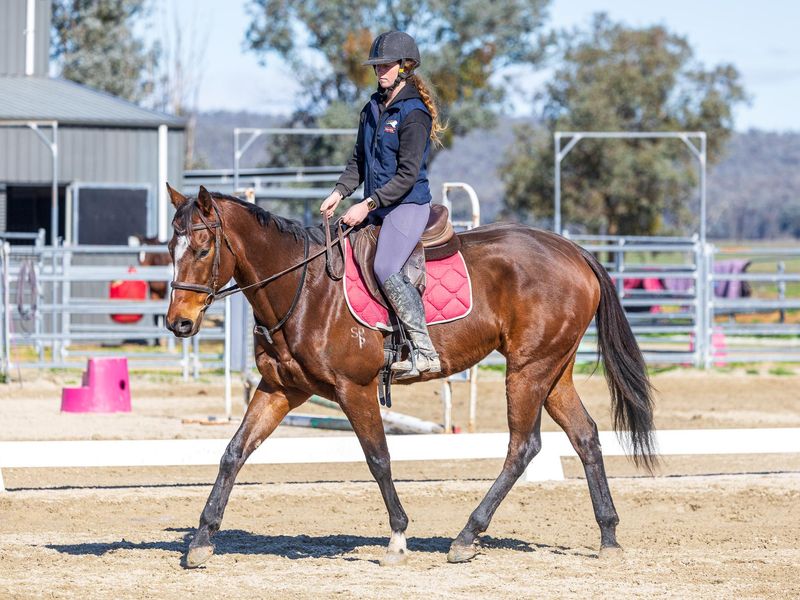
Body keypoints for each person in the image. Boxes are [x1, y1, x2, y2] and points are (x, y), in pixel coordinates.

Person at [320, 30, 446, 379]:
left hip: (407, 205)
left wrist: (367, 204)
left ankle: (424, 350)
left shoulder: (414, 113)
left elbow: (406, 176)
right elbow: (359, 161)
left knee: (386, 266)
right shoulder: (372, 108)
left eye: (386, 65)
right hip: (376, 206)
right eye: (377, 66)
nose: (380, 72)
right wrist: (339, 192)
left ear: (405, 67)